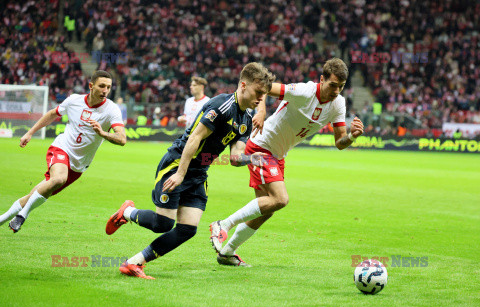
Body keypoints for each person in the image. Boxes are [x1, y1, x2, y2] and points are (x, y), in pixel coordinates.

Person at [104, 62, 276, 279]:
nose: (261, 98)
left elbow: (234, 157)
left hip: (199, 172)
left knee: (187, 229)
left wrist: (252, 159)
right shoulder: (221, 106)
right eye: (258, 92)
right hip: (177, 163)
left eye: (264, 94)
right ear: (243, 85)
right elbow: (194, 138)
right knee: (163, 224)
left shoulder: (246, 120)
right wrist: (180, 174)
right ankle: (127, 213)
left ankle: (134, 263)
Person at [210, 58, 365, 267]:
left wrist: (353, 137)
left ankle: (227, 253)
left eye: (341, 87)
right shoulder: (303, 92)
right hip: (262, 146)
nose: (337, 91)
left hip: (278, 154)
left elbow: (339, 142)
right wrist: (262, 110)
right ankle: (222, 224)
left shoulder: (338, 104)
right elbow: (263, 86)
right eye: (333, 85)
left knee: (266, 210)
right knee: (281, 199)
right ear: (322, 80)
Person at [0, 70, 126, 233]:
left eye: (108, 87)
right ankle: (22, 216)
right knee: (59, 178)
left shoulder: (111, 110)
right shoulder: (74, 100)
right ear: (91, 86)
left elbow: (122, 139)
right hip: (62, 147)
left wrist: (103, 133)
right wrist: (30, 132)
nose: (105, 91)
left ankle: (2, 219)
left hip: (79, 165)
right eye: (102, 86)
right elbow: (53, 113)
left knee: (38, 193)